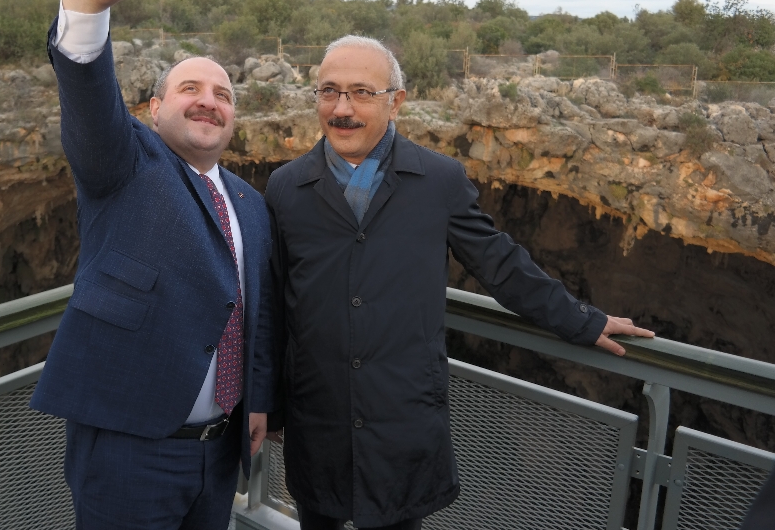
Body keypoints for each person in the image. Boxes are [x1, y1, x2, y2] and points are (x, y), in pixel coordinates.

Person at [262, 35, 656, 530]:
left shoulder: (438, 180)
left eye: (362, 92)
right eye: (329, 91)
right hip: (316, 416)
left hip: (402, 417)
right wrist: (267, 403)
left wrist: (581, 320)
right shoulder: (286, 187)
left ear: (396, 102)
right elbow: (272, 306)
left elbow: (499, 263)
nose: (343, 108)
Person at [29, 0, 276, 530]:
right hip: (129, 446)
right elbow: (90, 103)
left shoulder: (251, 203)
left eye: (224, 95)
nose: (209, 102)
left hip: (218, 451)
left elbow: (255, 310)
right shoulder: (128, 163)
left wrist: (258, 402)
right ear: (154, 107)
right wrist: (84, 4)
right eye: (191, 88)